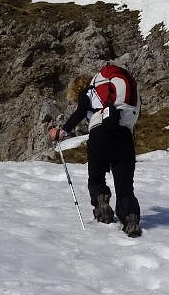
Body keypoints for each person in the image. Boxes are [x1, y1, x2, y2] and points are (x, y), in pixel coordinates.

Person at [48, 63, 142, 237]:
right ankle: (131, 220)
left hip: (100, 135)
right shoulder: (117, 95)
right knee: (125, 186)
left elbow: (81, 111)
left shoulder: (88, 92)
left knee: (96, 177)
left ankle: (102, 208)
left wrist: (63, 131)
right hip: (125, 137)